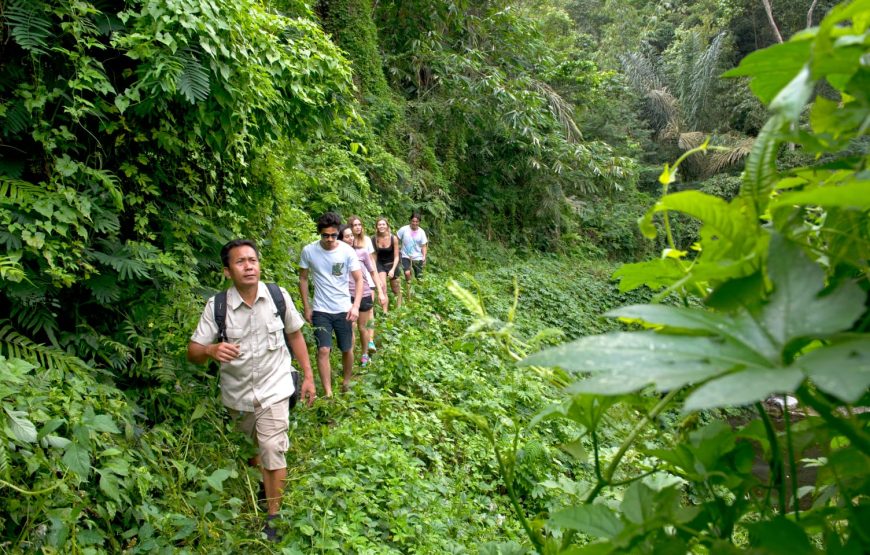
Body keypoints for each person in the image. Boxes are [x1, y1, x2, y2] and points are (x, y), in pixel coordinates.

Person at [187, 239, 316, 541]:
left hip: (276, 387)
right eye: (240, 262)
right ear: (227, 271)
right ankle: (265, 484)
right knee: (255, 451)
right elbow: (192, 352)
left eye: (252, 260)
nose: (248, 266)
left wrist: (308, 376)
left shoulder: (276, 296)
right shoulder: (217, 307)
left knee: (272, 447)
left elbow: (295, 336)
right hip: (239, 396)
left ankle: (274, 517)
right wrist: (211, 349)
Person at [298, 212, 363, 395]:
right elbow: (302, 279)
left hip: (343, 308)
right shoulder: (309, 251)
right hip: (321, 309)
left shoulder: (346, 251)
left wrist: (355, 306)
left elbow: (359, 280)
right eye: (325, 235)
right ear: (320, 233)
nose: (329, 239)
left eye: (333, 235)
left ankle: (346, 381)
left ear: (338, 233)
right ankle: (328, 393)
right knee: (323, 350)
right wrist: (307, 307)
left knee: (347, 348)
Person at [347, 215, 387, 354]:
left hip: (367, 280)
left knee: (369, 311)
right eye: (354, 225)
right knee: (353, 320)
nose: (357, 227)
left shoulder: (366, 241)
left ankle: (370, 340)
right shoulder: (345, 243)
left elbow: (372, 263)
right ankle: (353, 349)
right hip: (352, 283)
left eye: (359, 225)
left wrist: (379, 285)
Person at [340, 225, 378, 367]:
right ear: (341, 238)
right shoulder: (337, 255)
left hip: (364, 293)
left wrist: (380, 291)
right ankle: (349, 358)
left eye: (351, 236)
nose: (350, 238)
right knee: (350, 327)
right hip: (345, 295)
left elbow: (372, 271)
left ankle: (365, 354)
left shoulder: (362, 252)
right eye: (346, 236)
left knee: (362, 327)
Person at [374, 217, 402, 309]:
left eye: (383, 224)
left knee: (396, 289)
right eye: (379, 224)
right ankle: (384, 313)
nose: (381, 226)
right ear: (377, 227)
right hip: (380, 264)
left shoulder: (393, 238)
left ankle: (399, 309)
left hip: (392, 263)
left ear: (387, 226)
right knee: (383, 288)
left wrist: (393, 270)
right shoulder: (374, 239)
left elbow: (397, 256)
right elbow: (374, 256)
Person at [397, 212, 428, 284]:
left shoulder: (421, 232)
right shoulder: (404, 229)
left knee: (419, 277)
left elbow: (424, 246)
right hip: (405, 256)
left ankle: (420, 290)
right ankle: (409, 286)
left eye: (417, 221)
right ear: (410, 221)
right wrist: (397, 249)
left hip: (417, 257)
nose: (415, 223)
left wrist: (424, 257)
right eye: (413, 221)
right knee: (407, 273)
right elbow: (396, 239)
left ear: (419, 222)